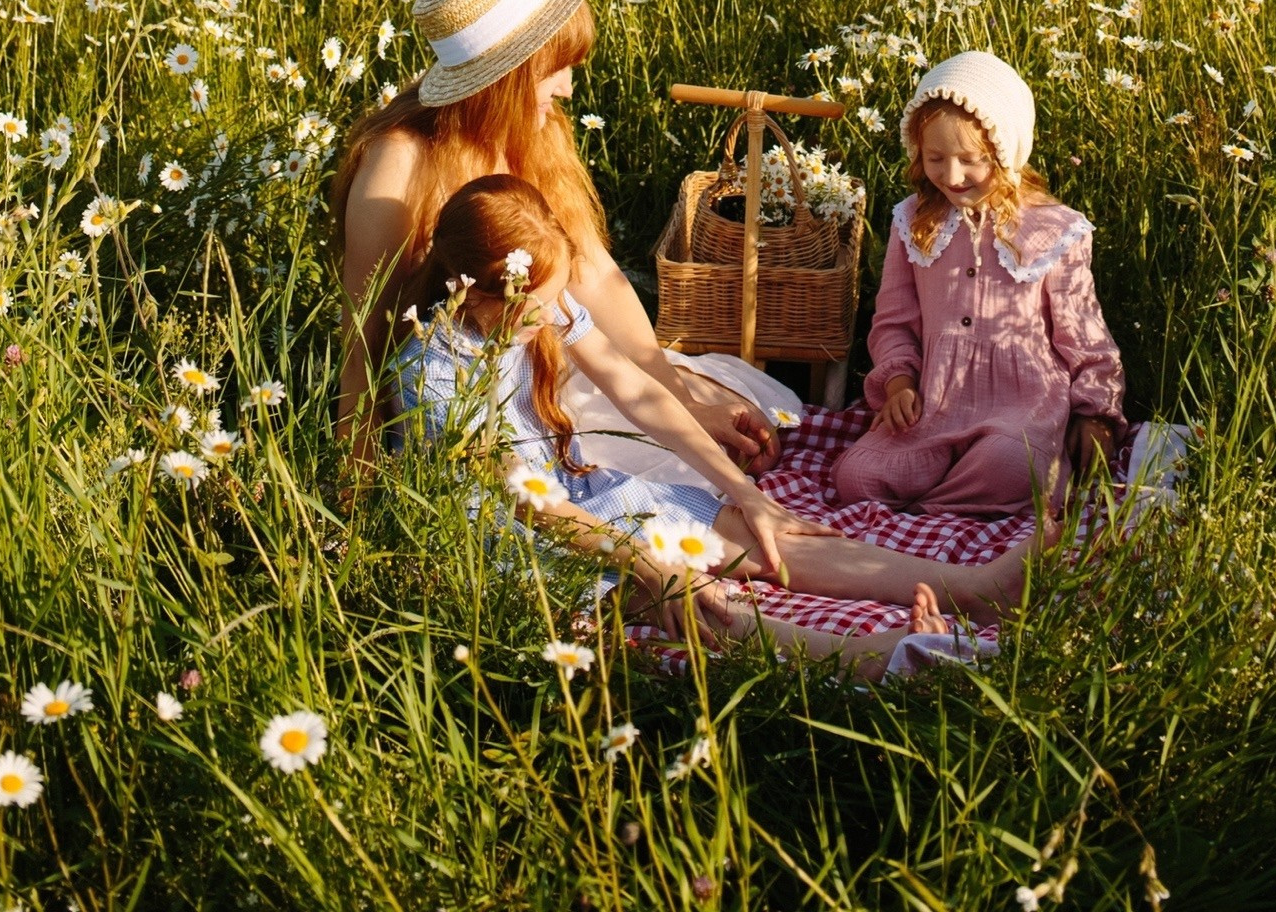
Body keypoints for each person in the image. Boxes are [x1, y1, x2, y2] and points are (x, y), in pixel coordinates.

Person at [396, 174, 1039, 667]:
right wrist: (651, 565)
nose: (550, 317)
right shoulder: (431, 372)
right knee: (693, 602)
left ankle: (972, 589)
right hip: (510, 546)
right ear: (474, 291)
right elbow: (524, 505)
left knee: (758, 535)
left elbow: (636, 392)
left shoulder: (537, 303)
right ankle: (885, 657)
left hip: (577, 492)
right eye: (533, 307)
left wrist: (746, 493)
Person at [331, 0, 786, 482]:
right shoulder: (398, 167)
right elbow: (364, 340)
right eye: (555, 67)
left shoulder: (534, 131)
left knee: (738, 414)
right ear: (505, 76)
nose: (568, 88)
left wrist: (675, 391)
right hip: (465, 406)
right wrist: (355, 488)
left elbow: (592, 273)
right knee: (675, 478)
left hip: (555, 357)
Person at [828, 51, 1125, 515]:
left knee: (1012, 464)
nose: (951, 175)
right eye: (935, 158)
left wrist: (1095, 413)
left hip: (1022, 410)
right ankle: (950, 502)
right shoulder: (913, 221)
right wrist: (900, 385)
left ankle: (928, 509)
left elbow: (1084, 335)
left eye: (971, 160)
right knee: (856, 477)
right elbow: (893, 323)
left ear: (1006, 152)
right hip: (934, 404)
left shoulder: (1054, 230)